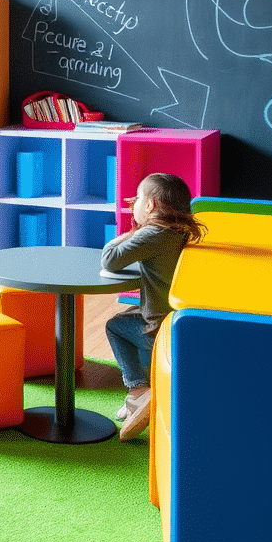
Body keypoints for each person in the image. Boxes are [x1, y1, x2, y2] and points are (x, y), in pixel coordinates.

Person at [101, 173, 205, 440]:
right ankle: (142, 388)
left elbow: (109, 259)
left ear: (149, 206)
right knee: (127, 316)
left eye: (136, 199)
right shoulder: (182, 230)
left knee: (114, 326)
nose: (132, 204)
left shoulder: (154, 233)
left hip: (158, 329)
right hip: (179, 319)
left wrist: (133, 229)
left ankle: (138, 390)